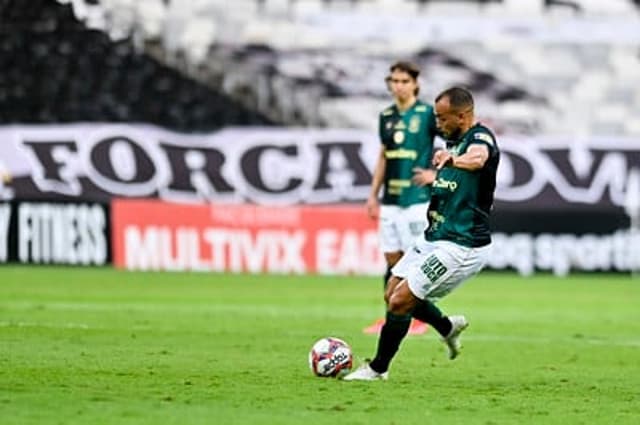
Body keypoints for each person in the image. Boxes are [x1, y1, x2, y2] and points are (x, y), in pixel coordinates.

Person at [345, 86, 500, 381]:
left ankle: (378, 368)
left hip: (462, 244)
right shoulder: (453, 143)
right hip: (434, 235)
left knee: (401, 301)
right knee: (391, 291)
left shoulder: (480, 138)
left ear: (462, 116)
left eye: (442, 119)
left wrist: (453, 160)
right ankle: (446, 327)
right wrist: (438, 173)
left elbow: (478, 158)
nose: (438, 125)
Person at [363, 61, 438, 336]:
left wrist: (436, 173)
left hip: (417, 199)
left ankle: (418, 318)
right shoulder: (386, 115)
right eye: (394, 81)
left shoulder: (428, 114)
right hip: (390, 200)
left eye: (404, 81)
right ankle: (392, 316)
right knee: (393, 263)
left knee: (415, 261)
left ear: (415, 84)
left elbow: (454, 142)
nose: (398, 86)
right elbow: (384, 156)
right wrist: (373, 195)